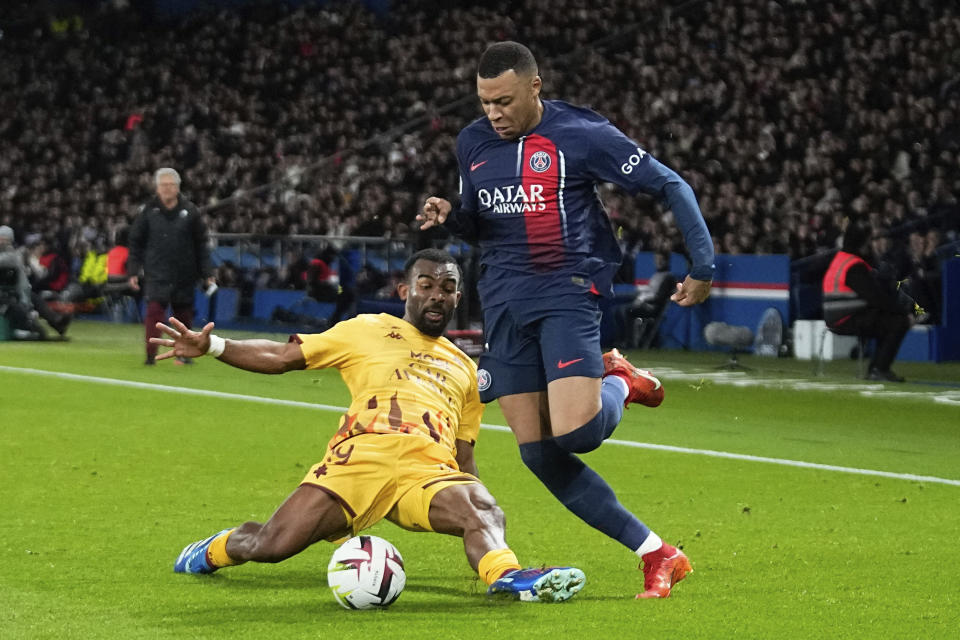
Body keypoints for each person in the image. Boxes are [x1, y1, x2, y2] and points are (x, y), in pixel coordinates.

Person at [418, 41, 714, 598]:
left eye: (504, 100)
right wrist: (451, 217)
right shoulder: (473, 143)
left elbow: (671, 184)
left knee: (576, 432)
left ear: (535, 87)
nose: (494, 114)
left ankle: (618, 382)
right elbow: (481, 223)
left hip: (566, 290)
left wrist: (703, 265)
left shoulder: (582, 134)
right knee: (537, 451)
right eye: (485, 103)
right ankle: (658, 554)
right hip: (503, 301)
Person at [151, 248, 585, 603]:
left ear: (457, 299)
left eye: (448, 289)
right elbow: (282, 357)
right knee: (271, 545)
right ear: (405, 291)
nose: (437, 295)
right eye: (427, 285)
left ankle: (507, 577)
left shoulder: (465, 369)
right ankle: (214, 549)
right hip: (359, 460)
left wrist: (476, 510)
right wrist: (214, 345)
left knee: (484, 508)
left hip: (426, 471)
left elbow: (463, 455)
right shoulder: (366, 329)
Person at [127, 168, 215, 365]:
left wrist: (207, 273)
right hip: (156, 272)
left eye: (171, 185)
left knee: (183, 316)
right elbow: (135, 242)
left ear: (178, 187)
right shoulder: (148, 212)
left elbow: (201, 244)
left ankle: (184, 354)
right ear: (157, 188)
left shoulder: (191, 212)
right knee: (154, 312)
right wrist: (133, 271)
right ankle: (150, 355)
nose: (167, 189)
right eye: (163, 185)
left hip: (185, 273)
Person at [822, 221, 915, 382]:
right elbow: (875, 297)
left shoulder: (841, 259)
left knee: (885, 321)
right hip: (847, 318)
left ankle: (877, 368)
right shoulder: (854, 266)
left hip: (837, 316)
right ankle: (879, 369)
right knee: (898, 322)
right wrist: (904, 312)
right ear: (863, 243)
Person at [0, 225, 71, 339]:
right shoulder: (12, 256)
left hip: (7, 291)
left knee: (34, 297)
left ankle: (56, 321)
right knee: (13, 304)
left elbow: (22, 282)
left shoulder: (12, 256)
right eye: (3, 239)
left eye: (7, 240)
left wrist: (25, 299)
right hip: (4, 296)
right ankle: (34, 327)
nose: (5, 242)